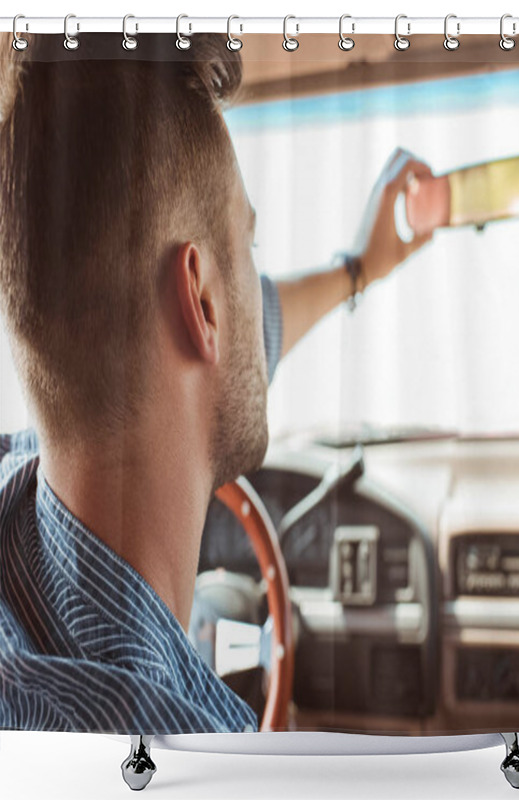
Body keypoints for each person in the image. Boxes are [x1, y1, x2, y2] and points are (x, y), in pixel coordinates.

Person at [0, 32, 433, 733]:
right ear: (201, 300)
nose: (254, 284)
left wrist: (358, 268)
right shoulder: (191, 752)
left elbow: (228, 335)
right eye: (248, 248)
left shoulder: (16, 485)